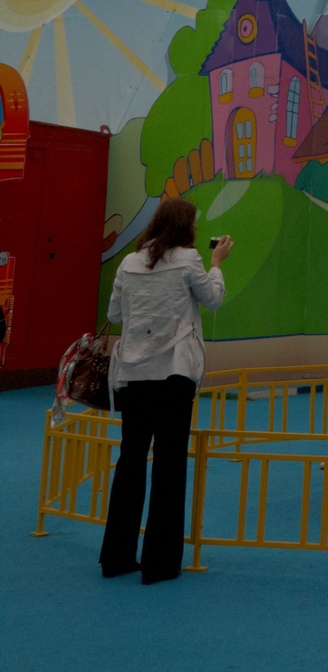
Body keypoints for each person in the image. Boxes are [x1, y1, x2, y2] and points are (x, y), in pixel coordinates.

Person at [99, 198, 230, 585]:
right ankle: (160, 563)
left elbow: (114, 316)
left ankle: (117, 556)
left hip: (133, 374)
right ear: (186, 227)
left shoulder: (128, 262)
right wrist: (218, 264)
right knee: (170, 465)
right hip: (173, 373)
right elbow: (213, 298)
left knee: (131, 462)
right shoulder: (190, 260)